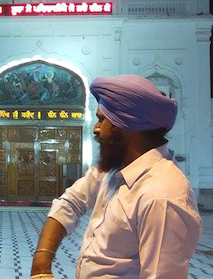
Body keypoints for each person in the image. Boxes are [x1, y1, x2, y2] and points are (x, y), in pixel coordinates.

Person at [31, 75, 202, 279]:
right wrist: (41, 263)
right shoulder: (114, 170)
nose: (95, 129)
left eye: (102, 120)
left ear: (127, 126)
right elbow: (71, 203)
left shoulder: (162, 196)